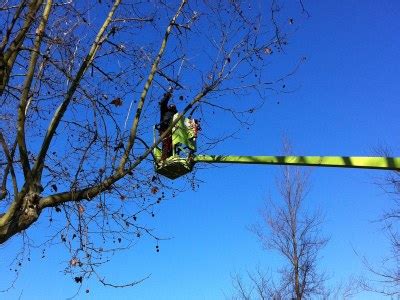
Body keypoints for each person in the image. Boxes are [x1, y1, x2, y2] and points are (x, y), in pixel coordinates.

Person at [158, 89, 177, 160]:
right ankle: (164, 158)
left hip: (173, 130)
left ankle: (170, 157)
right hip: (164, 127)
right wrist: (168, 95)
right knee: (165, 143)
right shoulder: (165, 111)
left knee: (173, 143)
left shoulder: (176, 115)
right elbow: (163, 103)